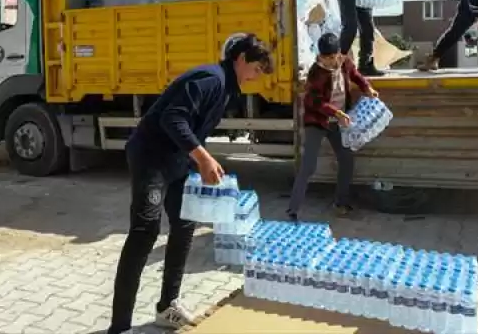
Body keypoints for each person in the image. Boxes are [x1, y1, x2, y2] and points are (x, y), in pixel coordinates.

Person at [108, 34, 273, 333]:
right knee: (145, 232)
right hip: (151, 157)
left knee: (184, 225)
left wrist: (198, 161)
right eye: (256, 69)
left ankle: (167, 306)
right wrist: (204, 158)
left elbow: (193, 128)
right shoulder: (210, 79)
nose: (256, 77)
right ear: (240, 59)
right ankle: (120, 327)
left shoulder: (227, 88)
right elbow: (173, 119)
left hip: (175, 160)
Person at [287, 32, 377, 220]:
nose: (329, 61)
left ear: (338, 54)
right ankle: (293, 209)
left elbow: (356, 75)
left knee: (346, 159)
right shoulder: (315, 73)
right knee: (308, 166)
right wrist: (336, 113)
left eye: (332, 57)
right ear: (320, 55)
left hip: (338, 122)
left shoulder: (345, 63)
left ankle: (340, 203)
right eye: (324, 58)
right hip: (317, 121)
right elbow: (314, 102)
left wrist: (366, 88)